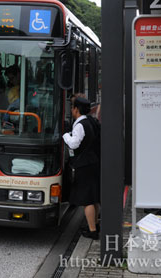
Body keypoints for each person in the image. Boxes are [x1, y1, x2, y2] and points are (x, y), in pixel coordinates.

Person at [63, 97, 101, 239]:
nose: (71, 110)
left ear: (76, 109)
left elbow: (73, 144)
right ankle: (95, 225)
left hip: (84, 165)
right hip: (93, 162)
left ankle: (92, 231)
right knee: (93, 197)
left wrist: (66, 134)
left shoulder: (80, 125)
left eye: (72, 107)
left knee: (87, 200)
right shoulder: (90, 121)